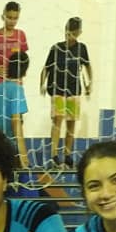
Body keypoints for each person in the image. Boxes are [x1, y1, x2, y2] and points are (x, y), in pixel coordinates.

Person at [40, 17, 92, 168]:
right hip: (57, 89)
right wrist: (42, 83)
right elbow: (46, 67)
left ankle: (68, 155)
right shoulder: (56, 48)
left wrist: (89, 84)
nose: (71, 36)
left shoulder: (82, 48)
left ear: (79, 33)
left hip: (74, 90)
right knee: (58, 119)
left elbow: (88, 66)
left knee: (71, 122)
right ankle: (54, 155)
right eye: (69, 33)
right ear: (65, 31)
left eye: (74, 34)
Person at [0, 51, 30, 168]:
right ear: (24, 71)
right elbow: (16, 122)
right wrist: (23, 156)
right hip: (9, 150)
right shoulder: (17, 90)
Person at [0, 1, 27, 88]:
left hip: (16, 83)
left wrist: (20, 74)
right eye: (9, 17)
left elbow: (24, 60)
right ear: (3, 16)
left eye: (15, 18)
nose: (12, 21)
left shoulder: (21, 35)